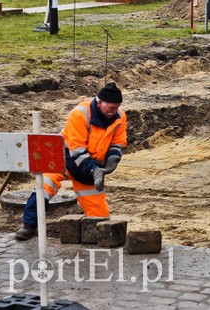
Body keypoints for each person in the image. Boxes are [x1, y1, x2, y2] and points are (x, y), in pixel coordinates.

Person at [14, 82, 127, 240]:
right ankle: (28, 225)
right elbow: (77, 149)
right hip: (63, 159)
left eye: (117, 107)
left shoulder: (120, 116)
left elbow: (117, 143)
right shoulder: (80, 113)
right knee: (43, 188)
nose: (113, 111)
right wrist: (94, 170)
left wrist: (112, 161)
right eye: (111, 108)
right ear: (99, 102)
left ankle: (97, 233)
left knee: (100, 216)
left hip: (89, 166)